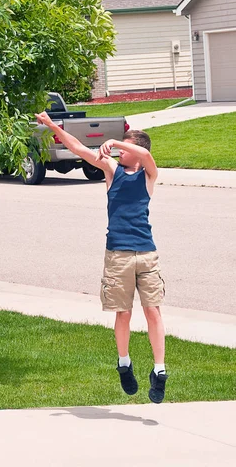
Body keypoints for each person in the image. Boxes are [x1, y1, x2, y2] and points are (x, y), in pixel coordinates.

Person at [35, 111, 168, 403]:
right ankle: (124, 364)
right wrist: (51, 124)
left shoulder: (148, 174)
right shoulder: (112, 170)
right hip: (117, 254)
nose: (118, 150)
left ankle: (159, 371)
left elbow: (144, 152)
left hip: (147, 253)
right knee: (124, 313)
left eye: (124, 147)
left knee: (153, 311)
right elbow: (78, 149)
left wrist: (113, 141)